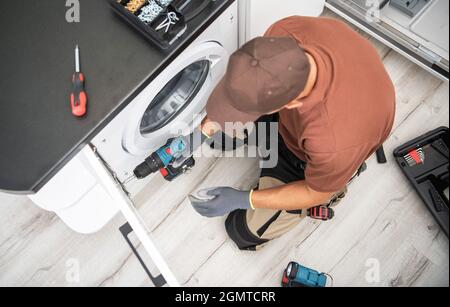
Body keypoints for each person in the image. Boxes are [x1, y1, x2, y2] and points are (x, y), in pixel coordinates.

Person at [178, 16, 396, 251]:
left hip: (311, 160)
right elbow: (244, 80)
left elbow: (315, 193)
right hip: (297, 124)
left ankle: (338, 179)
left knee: (241, 231)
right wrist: (198, 135)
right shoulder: (285, 31)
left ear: (291, 105)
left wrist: (243, 199)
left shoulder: (332, 144)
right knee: (222, 133)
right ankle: (265, 133)